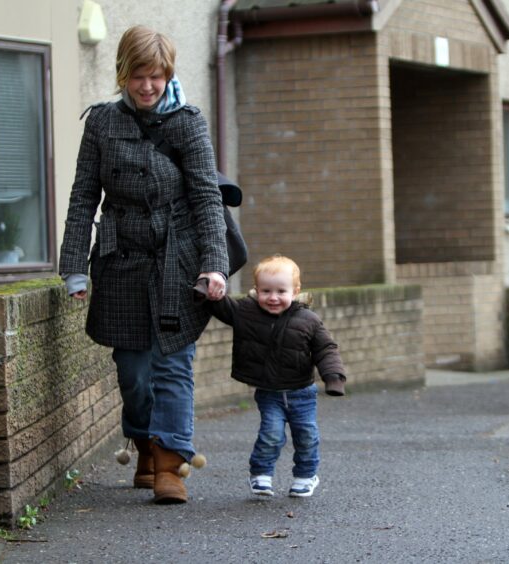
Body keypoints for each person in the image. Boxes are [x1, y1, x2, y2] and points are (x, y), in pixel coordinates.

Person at [59, 25, 228, 504]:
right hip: (121, 259)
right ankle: (144, 442)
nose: (149, 86)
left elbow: (207, 199)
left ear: (168, 75)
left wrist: (213, 265)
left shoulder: (188, 122)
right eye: (139, 76)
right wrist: (74, 266)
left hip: (178, 258)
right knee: (133, 370)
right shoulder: (102, 124)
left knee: (173, 362)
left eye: (157, 76)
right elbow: (83, 197)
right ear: (122, 74)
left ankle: (171, 462)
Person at [205, 255, 346, 498]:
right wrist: (209, 292)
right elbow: (222, 307)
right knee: (271, 434)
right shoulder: (247, 312)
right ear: (256, 289)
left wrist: (333, 377)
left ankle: (306, 475)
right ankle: (261, 474)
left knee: (307, 436)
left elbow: (326, 349)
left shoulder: (308, 320)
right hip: (269, 392)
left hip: (302, 392)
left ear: (296, 291)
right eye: (266, 291)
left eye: (281, 291)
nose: (273, 297)